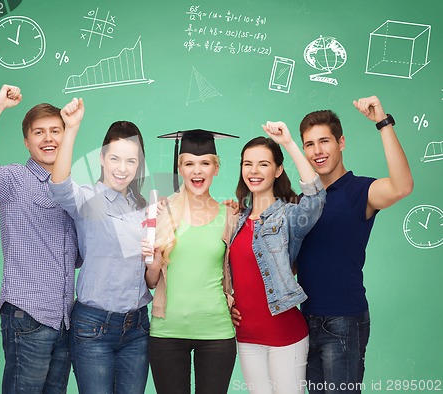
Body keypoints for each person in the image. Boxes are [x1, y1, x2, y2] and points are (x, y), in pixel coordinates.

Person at [0, 84, 79, 394]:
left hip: (65, 319)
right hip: (29, 316)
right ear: (27, 141)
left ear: (66, 136)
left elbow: (79, 256)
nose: (49, 138)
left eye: (56, 130)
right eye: (39, 133)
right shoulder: (14, 180)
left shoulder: (73, 191)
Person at [295, 96, 413, 393]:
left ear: (341, 142)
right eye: (309, 144)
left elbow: (402, 186)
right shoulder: (302, 201)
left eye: (325, 141)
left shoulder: (360, 191)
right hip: (303, 319)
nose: (317, 151)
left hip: (343, 320)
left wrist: (382, 123)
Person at [48, 98, 152, 394]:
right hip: (93, 328)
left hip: (138, 328)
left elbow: (149, 275)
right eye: (115, 158)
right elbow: (58, 184)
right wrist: (71, 128)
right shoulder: (86, 199)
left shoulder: (145, 209)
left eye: (131, 161)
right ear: (103, 159)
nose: (122, 168)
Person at [229, 122, 326, 394]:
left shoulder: (289, 216)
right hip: (246, 336)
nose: (254, 171)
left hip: (285, 334)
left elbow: (316, 198)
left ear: (278, 169)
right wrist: (228, 301)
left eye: (263, 164)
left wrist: (289, 143)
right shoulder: (235, 220)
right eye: (247, 164)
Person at [143, 129, 238, 394]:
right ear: (180, 169)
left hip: (216, 332)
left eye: (205, 163)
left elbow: (238, 270)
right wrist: (153, 261)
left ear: (216, 168)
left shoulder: (230, 215)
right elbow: (151, 282)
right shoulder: (162, 212)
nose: (197, 171)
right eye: (189, 164)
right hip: (167, 332)